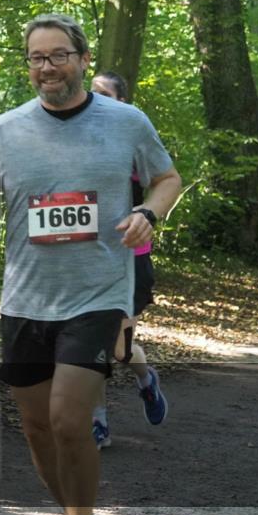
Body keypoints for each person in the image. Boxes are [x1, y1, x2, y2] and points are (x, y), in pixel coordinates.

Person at [0, 15, 181, 515]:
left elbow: (167, 178)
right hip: (25, 299)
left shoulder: (126, 121)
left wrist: (148, 212)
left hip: (98, 294)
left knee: (69, 421)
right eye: (37, 58)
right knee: (37, 427)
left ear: (83, 59)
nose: (47, 67)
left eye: (58, 55)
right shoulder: (7, 128)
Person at [88, 71, 168, 449]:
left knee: (117, 348)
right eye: (91, 93)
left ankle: (145, 379)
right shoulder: (72, 140)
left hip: (128, 258)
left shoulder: (134, 139)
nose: (94, 99)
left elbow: (165, 182)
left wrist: (145, 213)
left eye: (103, 94)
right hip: (84, 257)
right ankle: (97, 421)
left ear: (121, 102)